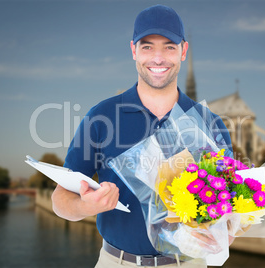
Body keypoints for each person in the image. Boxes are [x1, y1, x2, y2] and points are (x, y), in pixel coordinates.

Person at [51, 4, 233, 267]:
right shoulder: (101, 116)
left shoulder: (210, 123)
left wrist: (224, 231)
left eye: (169, 46)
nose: (158, 58)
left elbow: (228, 206)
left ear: (183, 51)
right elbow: (60, 199)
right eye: (147, 46)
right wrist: (85, 207)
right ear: (133, 50)